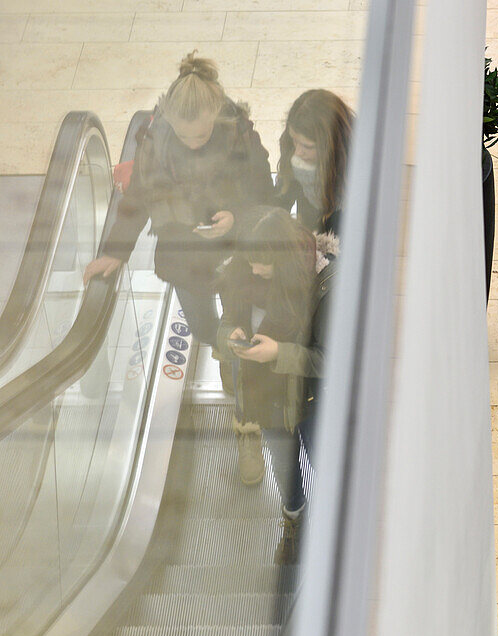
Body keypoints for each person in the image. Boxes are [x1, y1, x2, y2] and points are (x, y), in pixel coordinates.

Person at [84, 52, 275, 347]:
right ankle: (214, 344)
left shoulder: (240, 135)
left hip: (233, 247)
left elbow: (263, 188)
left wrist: (236, 216)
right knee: (201, 325)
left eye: (201, 135)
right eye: (182, 136)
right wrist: (115, 251)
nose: (192, 144)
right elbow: (138, 196)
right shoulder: (154, 141)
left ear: (216, 114)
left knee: (240, 315)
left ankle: (238, 361)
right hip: (183, 252)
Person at [218, 207, 335, 564]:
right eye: (250, 261)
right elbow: (226, 321)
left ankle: (335, 525)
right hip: (267, 397)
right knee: (285, 468)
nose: (254, 270)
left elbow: (331, 359)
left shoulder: (324, 286)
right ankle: (294, 520)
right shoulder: (240, 271)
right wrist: (229, 336)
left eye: (263, 264)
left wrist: (278, 354)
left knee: (324, 461)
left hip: (314, 399)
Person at [274, 89, 355, 235]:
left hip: (344, 220)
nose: (297, 152)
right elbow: (284, 192)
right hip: (308, 217)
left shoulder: (356, 159)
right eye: (295, 140)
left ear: (330, 145)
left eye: (307, 146)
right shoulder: (291, 143)